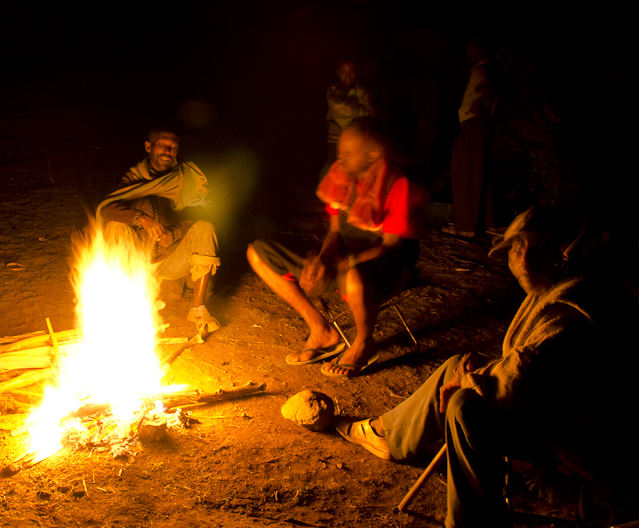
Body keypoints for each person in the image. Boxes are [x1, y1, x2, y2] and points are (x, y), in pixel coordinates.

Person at [336, 206, 639, 528]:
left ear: (551, 252)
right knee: (459, 368)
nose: (513, 262)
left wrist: (471, 384)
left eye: (517, 249)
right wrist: (470, 375)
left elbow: (518, 378)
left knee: (466, 407)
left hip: (613, 452)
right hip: (577, 417)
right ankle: (389, 433)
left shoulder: (576, 306)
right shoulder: (563, 287)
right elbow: (526, 364)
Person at [248, 118, 424, 375]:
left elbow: (392, 246)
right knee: (258, 252)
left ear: (373, 154)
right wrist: (321, 260)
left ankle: (364, 343)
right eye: (340, 150)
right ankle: (321, 331)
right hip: (347, 256)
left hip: (388, 264)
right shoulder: (341, 178)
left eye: (349, 152)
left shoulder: (397, 183)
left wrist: (346, 263)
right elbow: (334, 231)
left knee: (353, 276)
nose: (340, 156)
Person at [98, 130, 221, 334]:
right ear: (149, 147)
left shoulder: (186, 178)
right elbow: (107, 208)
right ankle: (120, 302)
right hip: (139, 260)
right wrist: (141, 218)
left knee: (206, 227)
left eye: (173, 146)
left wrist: (173, 233)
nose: (168, 150)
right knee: (114, 226)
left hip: (169, 258)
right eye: (162, 145)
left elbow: (202, 215)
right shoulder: (134, 177)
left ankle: (197, 309)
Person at [445, 39, 499, 238]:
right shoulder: (484, 70)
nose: (467, 52)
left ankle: (466, 225)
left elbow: (491, 94)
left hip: (474, 123)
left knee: (466, 173)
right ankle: (484, 222)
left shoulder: (483, 71)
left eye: (470, 48)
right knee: (479, 172)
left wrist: (479, 109)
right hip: (477, 123)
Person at [323, 61, 373, 178]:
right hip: (337, 140)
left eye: (351, 72)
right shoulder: (334, 90)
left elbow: (372, 111)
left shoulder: (361, 90)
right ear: (338, 73)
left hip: (358, 142)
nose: (348, 76)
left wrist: (356, 108)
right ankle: (322, 195)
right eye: (344, 72)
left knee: (356, 173)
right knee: (334, 171)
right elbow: (344, 114)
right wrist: (361, 109)